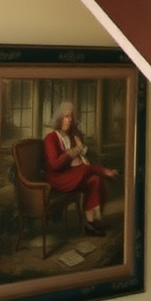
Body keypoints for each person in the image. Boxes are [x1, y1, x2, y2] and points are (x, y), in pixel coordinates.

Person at [43, 101, 118, 235]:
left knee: (95, 180)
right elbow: (55, 165)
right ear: (60, 118)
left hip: (70, 174)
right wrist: (72, 153)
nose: (70, 120)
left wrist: (77, 145)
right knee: (86, 169)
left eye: (71, 117)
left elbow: (81, 154)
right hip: (57, 178)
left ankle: (90, 223)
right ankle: (104, 171)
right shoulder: (51, 138)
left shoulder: (71, 136)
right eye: (67, 116)